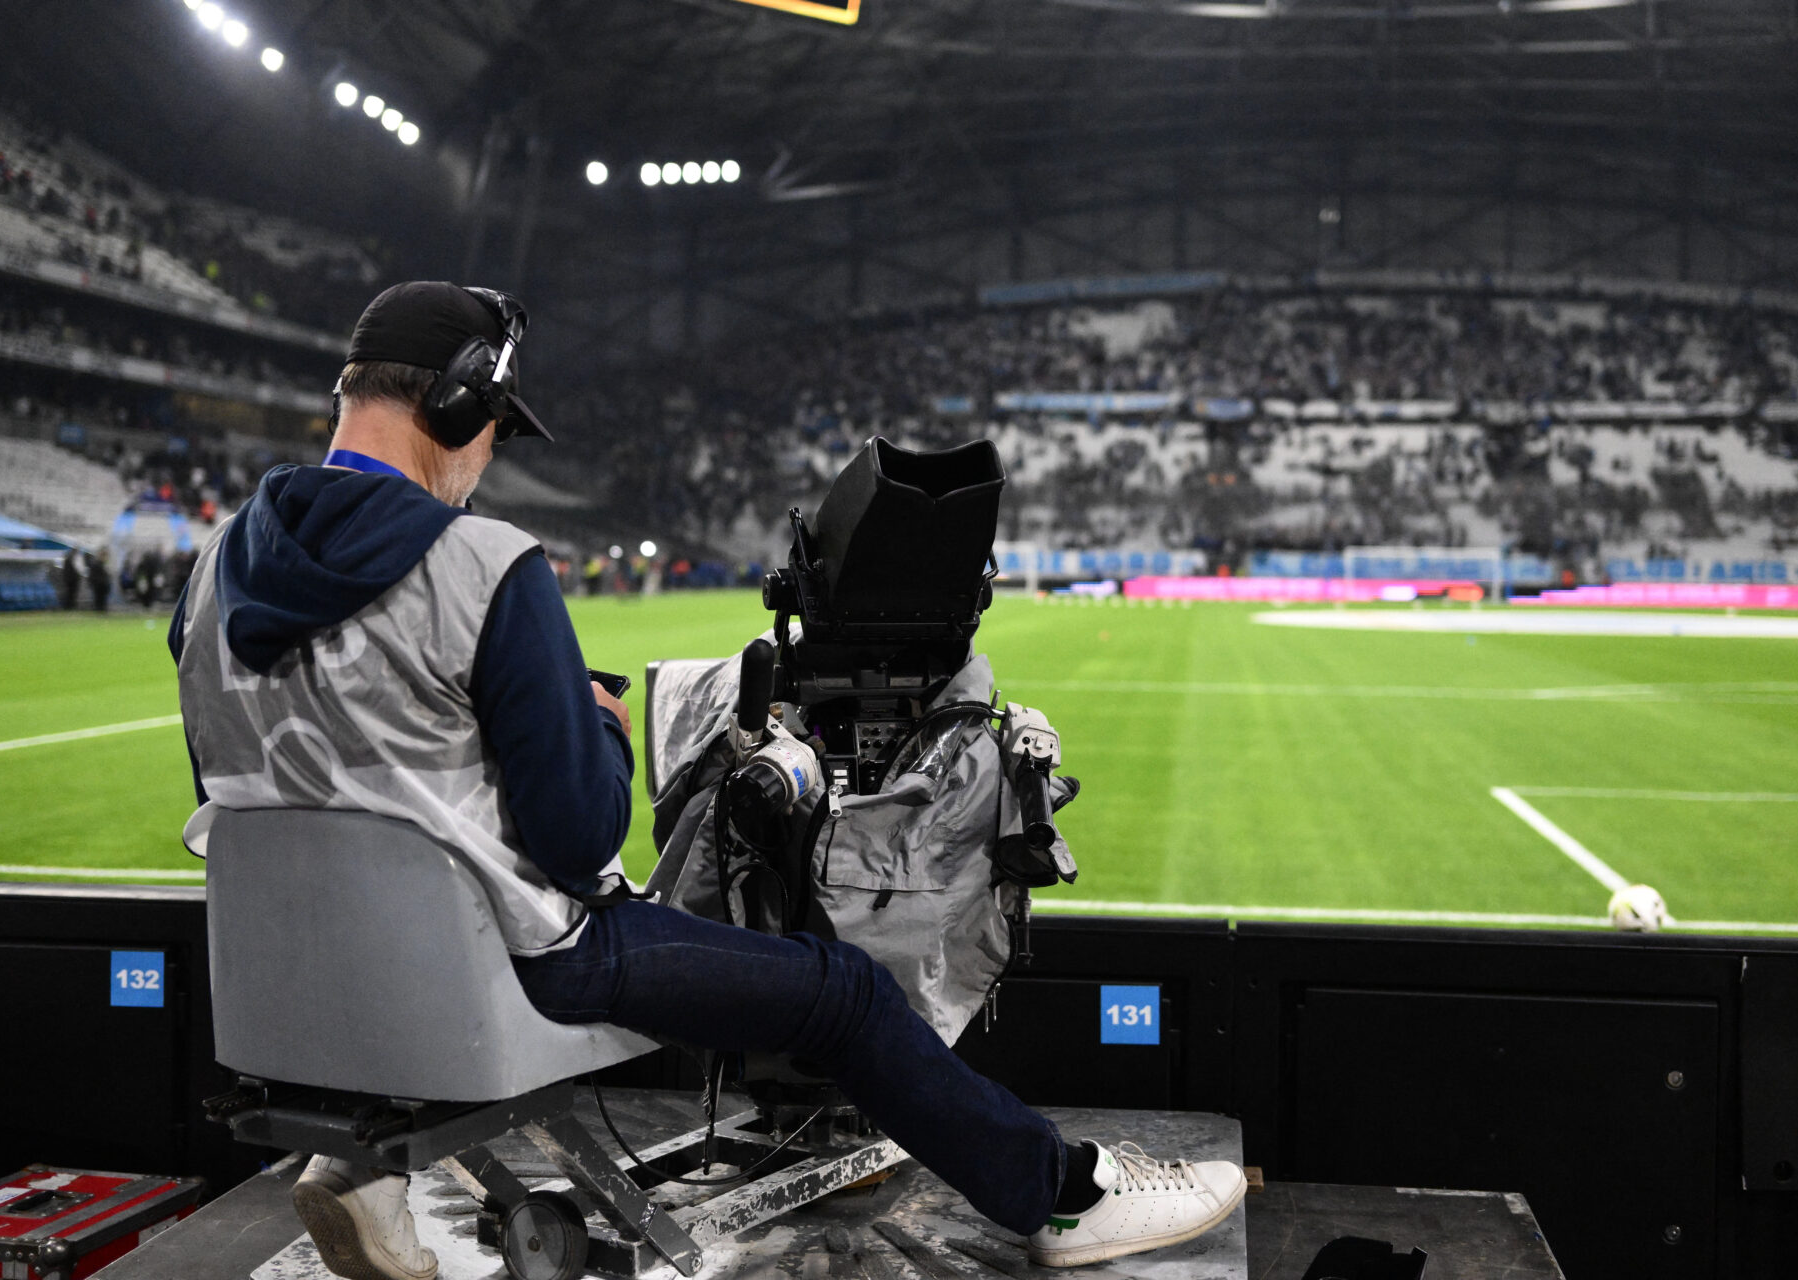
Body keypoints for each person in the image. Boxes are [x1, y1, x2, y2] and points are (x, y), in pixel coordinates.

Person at [169, 283, 1242, 1280]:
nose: (488, 456)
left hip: (292, 996)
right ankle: (1059, 1195)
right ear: (457, 404)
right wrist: (602, 723)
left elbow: (281, 808)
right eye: (495, 425)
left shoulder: (210, 571)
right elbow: (582, 839)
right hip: (505, 974)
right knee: (845, 989)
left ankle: (361, 1165)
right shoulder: (481, 564)